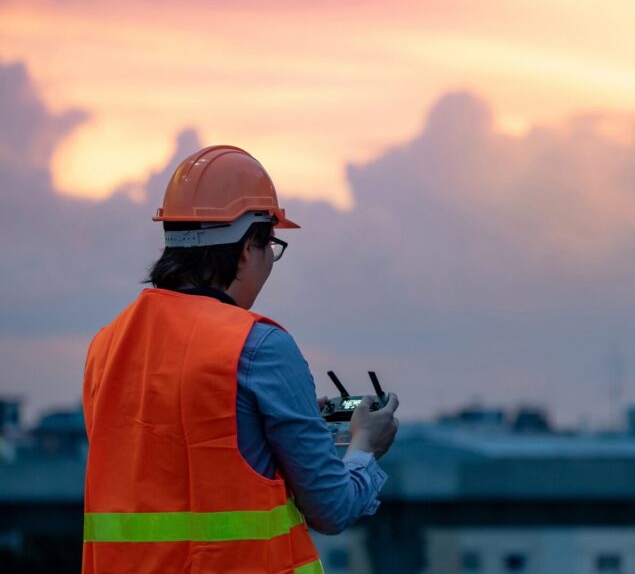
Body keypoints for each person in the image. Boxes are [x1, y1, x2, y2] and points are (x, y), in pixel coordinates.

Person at [82, 145, 398, 574]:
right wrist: (364, 446)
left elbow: (176, 477)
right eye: (272, 245)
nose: (271, 261)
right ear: (249, 246)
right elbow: (332, 508)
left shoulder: (106, 347)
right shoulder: (259, 347)